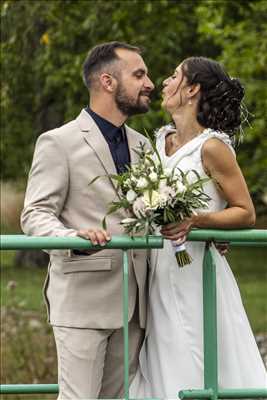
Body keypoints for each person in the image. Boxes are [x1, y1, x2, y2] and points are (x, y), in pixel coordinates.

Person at [21, 41, 154, 399]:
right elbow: (34, 214)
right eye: (139, 74)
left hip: (136, 306)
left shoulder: (144, 146)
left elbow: (153, 212)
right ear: (108, 82)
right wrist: (71, 237)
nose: (150, 83)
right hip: (82, 300)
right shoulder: (58, 142)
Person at [130, 56, 267, 398]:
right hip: (158, 270)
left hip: (196, 273)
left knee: (203, 354)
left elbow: (245, 212)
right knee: (161, 360)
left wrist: (198, 221)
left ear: (192, 90)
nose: (163, 82)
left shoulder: (213, 147)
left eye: (173, 75)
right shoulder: (160, 142)